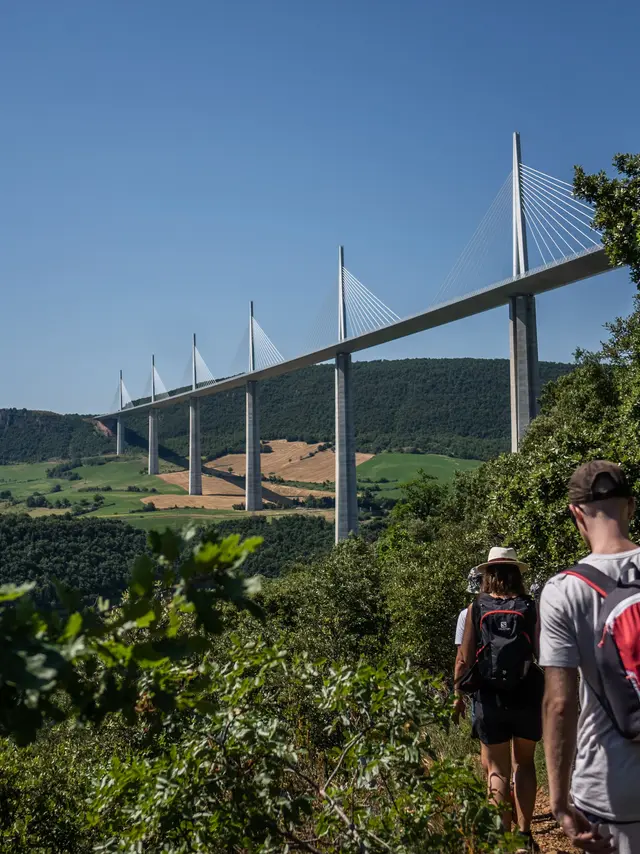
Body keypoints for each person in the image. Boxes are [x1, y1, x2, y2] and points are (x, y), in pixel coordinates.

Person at [540, 461, 640, 854]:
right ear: (631, 506)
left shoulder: (564, 591)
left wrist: (559, 802)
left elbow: (560, 704)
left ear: (576, 514)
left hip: (609, 789)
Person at [455, 546, 542, 853]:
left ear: (487, 575)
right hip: (526, 694)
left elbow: (464, 658)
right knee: (525, 765)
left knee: (497, 771)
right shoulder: (529, 606)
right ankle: (524, 836)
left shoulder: (476, 607)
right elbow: (542, 652)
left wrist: (458, 694)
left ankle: (503, 840)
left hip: (489, 697)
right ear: (517, 574)